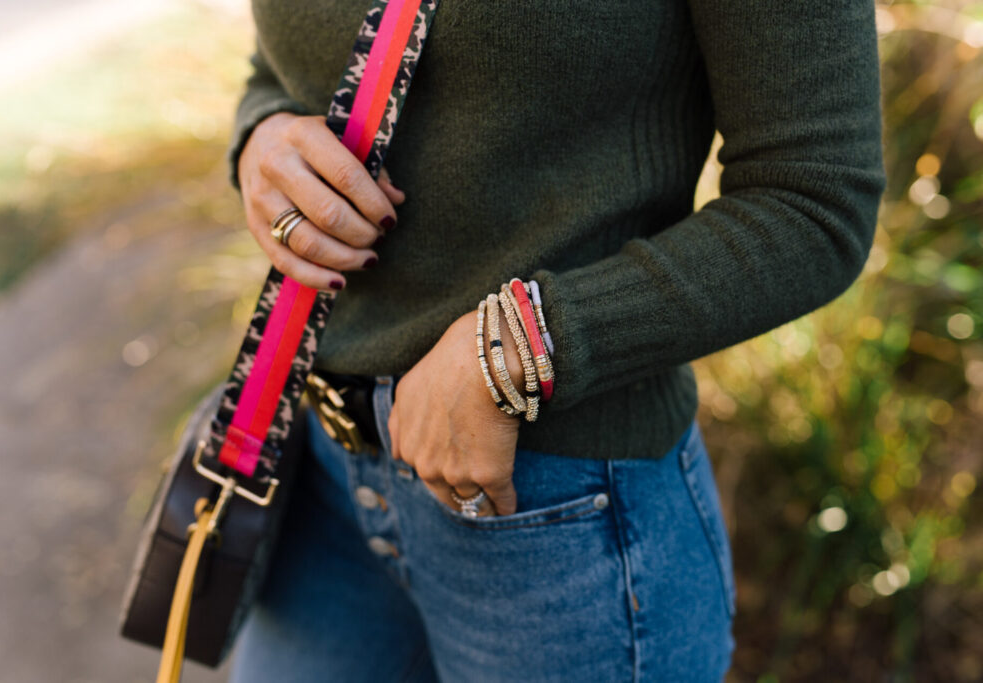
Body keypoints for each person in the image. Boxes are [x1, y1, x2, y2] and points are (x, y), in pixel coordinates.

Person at [225, 0, 885, 680]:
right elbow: (282, 66)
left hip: (559, 519)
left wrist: (525, 343)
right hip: (319, 483)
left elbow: (814, 196)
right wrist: (262, 138)